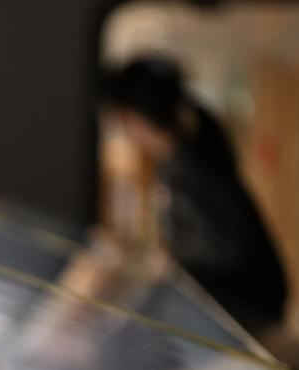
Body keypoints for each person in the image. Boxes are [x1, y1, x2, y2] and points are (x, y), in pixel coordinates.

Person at [102, 55, 288, 332]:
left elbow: (227, 243)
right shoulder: (185, 151)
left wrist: (173, 258)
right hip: (242, 297)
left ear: (131, 117)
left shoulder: (189, 165)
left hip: (243, 303)